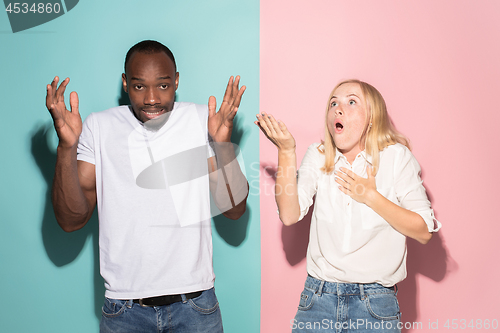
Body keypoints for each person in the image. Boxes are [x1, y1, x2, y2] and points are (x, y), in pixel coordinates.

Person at [45, 40, 249, 333]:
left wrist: (222, 145)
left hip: (194, 307)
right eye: (140, 86)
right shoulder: (98, 127)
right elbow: (70, 220)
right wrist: (67, 146)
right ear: (125, 83)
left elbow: (235, 210)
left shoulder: (201, 119)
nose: (152, 99)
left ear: (176, 80)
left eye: (163, 85)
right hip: (125, 310)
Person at [255, 79, 441, 332]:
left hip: (375, 304)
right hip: (317, 298)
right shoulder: (319, 154)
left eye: (351, 101)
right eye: (334, 103)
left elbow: (423, 231)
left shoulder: (397, 157)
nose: (338, 109)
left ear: (372, 117)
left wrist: (370, 196)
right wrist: (287, 151)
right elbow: (289, 215)